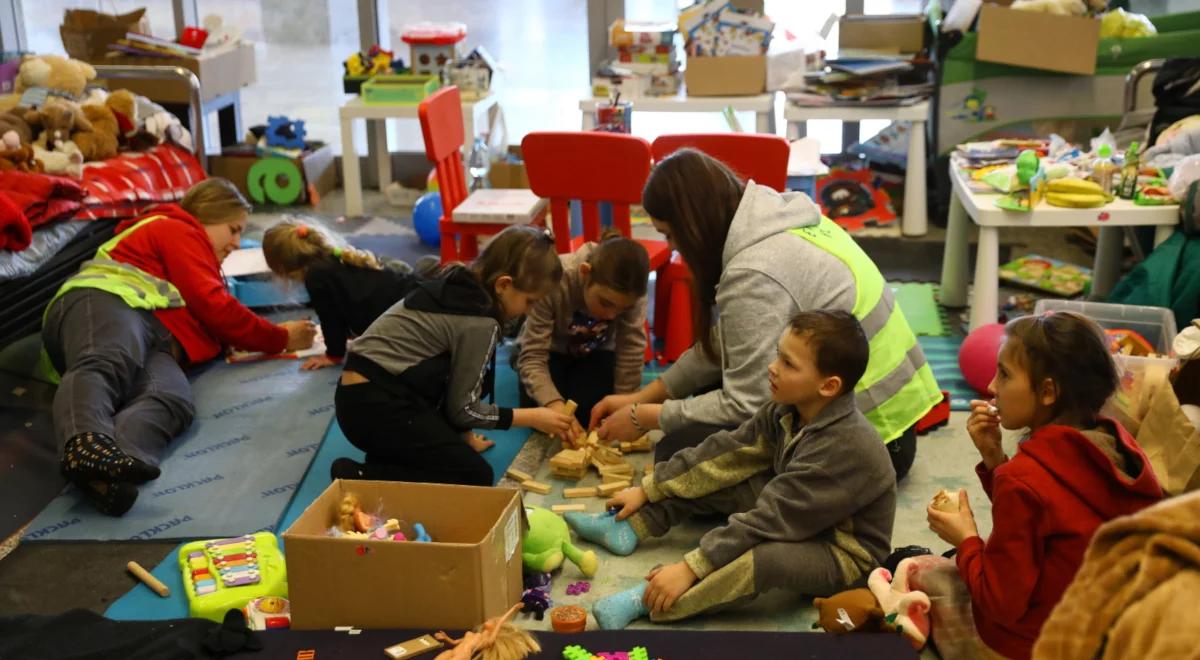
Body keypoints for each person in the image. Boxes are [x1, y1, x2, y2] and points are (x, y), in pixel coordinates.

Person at [589, 149, 941, 480]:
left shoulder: (754, 270)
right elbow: (732, 338)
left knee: (678, 454)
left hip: (870, 442)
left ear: (692, 224)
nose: (671, 247)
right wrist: (647, 395)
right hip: (890, 419)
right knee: (705, 403)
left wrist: (650, 417)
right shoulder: (772, 216)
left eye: (669, 234)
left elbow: (746, 403)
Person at [566, 310, 895, 629]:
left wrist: (690, 567)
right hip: (800, 517)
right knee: (723, 475)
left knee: (767, 559)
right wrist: (649, 489)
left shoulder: (844, 447)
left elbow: (771, 520)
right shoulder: (786, 407)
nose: (772, 368)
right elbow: (725, 453)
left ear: (828, 386)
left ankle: (651, 599)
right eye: (777, 355)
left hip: (842, 552)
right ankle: (629, 527)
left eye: (788, 364)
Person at [41, 178, 316, 516]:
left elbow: (208, 312)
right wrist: (280, 337)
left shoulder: (198, 251)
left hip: (153, 335)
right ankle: (83, 441)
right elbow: (213, 305)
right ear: (208, 214)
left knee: (172, 400)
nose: (235, 242)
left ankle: (112, 465)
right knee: (108, 358)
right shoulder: (175, 228)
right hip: (106, 299)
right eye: (232, 230)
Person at [926, 311, 1162, 660]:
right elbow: (1051, 514)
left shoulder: (1021, 479)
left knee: (917, 572)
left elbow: (1000, 604)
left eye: (1004, 374)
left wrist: (966, 538)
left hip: (1032, 646)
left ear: (1048, 391)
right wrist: (994, 459)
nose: (991, 387)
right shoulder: (1118, 446)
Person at [331, 225, 575, 486]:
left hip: (362, 398)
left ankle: (392, 456)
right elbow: (464, 410)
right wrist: (532, 416)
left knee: (452, 450)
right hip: (373, 408)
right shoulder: (481, 323)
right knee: (474, 475)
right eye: (530, 302)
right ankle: (360, 476)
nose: (530, 311)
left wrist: (461, 437)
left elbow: (446, 380)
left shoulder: (460, 283)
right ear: (503, 285)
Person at [515, 231, 649, 438]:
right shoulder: (555, 280)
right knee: (543, 418)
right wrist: (554, 405)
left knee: (592, 415)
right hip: (551, 351)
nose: (612, 315)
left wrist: (624, 405)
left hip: (597, 351)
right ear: (585, 273)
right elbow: (533, 356)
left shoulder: (632, 293)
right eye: (606, 303)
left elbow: (630, 352)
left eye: (621, 309)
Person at [261, 219, 434, 370]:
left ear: (281, 269)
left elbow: (331, 319)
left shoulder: (316, 277)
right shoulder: (333, 257)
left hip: (407, 318)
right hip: (414, 293)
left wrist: (333, 355)